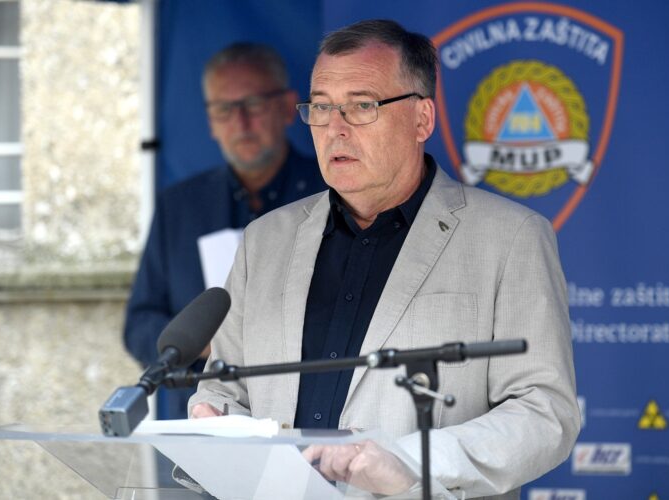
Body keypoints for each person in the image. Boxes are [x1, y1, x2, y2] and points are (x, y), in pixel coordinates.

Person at [189, 20, 579, 499]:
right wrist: (216, 419)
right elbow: (223, 389)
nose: (335, 129)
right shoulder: (264, 241)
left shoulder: (511, 237)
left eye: (362, 106)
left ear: (422, 120)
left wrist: (411, 462)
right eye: (322, 107)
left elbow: (544, 412)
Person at [124, 42, 326, 420]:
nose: (240, 123)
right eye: (224, 110)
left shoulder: (332, 191)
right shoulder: (179, 207)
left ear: (287, 107)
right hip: (204, 420)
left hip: (308, 418)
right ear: (210, 122)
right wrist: (196, 342)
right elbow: (139, 324)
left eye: (253, 104)